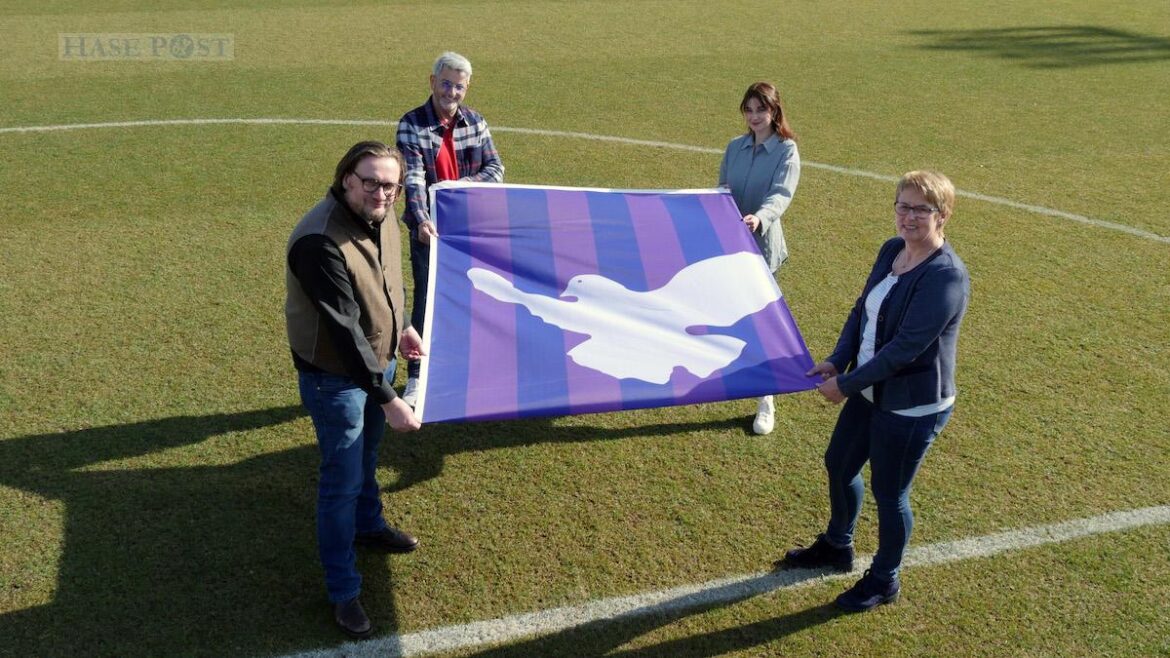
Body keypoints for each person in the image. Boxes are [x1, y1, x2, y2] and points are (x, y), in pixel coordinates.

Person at [780, 171, 970, 612]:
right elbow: (862, 308)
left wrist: (845, 385)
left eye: (920, 209)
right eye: (902, 206)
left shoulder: (946, 277)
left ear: (942, 215)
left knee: (890, 493)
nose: (908, 217)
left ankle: (885, 580)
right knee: (839, 462)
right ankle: (837, 545)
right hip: (869, 386)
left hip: (911, 405)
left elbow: (904, 349)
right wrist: (839, 358)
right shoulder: (891, 250)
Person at [286, 140, 425, 638]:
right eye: (370, 182)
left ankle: (369, 526)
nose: (381, 193)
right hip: (335, 378)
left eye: (390, 184)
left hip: (378, 362)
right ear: (346, 178)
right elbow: (342, 331)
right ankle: (344, 591)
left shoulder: (383, 216)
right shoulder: (319, 241)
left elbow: (390, 283)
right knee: (340, 481)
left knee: (366, 458)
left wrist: (404, 326)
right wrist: (389, 399)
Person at [396, 51, 505, 406]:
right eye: (445, 84)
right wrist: (423, 217)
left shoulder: (476, 122)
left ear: (467, 87)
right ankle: (416, 378)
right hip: (429, 231)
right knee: (427, 302)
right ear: (432, 82)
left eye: (458, 87)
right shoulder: (412, 124)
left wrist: (456, 189)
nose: (451, 93)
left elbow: (496, 170)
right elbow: (412, 177)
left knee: (472, 297)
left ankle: (466, 369)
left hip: (469, 231)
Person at [718, 81, 801, 435]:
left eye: (761, 110)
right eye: (748, 110)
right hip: (729, 246)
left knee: (761, 322)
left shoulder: (786, 150)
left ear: (774, 111)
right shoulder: (734, 147)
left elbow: (781, 195)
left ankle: (766, 398)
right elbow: (721, 191)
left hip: (762, 249)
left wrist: (759, 218)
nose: (754, 117)